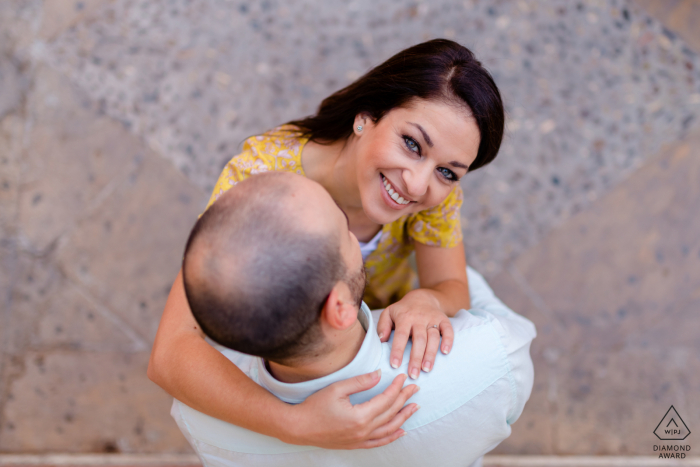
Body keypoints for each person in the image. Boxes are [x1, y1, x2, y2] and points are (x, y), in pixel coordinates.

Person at [148, 38, 505, 448]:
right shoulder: (261, 172)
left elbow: (451, 287)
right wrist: (295, 424)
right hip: (287, 350)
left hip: (383, 335)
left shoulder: (436, 195)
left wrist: (429, 300)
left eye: (448, 171)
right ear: (366, 117)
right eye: (411, 144)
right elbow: (171, 350)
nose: (418, 183)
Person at [173, 171, 536, 467]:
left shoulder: (199, 416)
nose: (354, 229)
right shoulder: (494, 355)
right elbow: (499, 321)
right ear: (340, 308)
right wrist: (435, 291)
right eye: (343, 231)